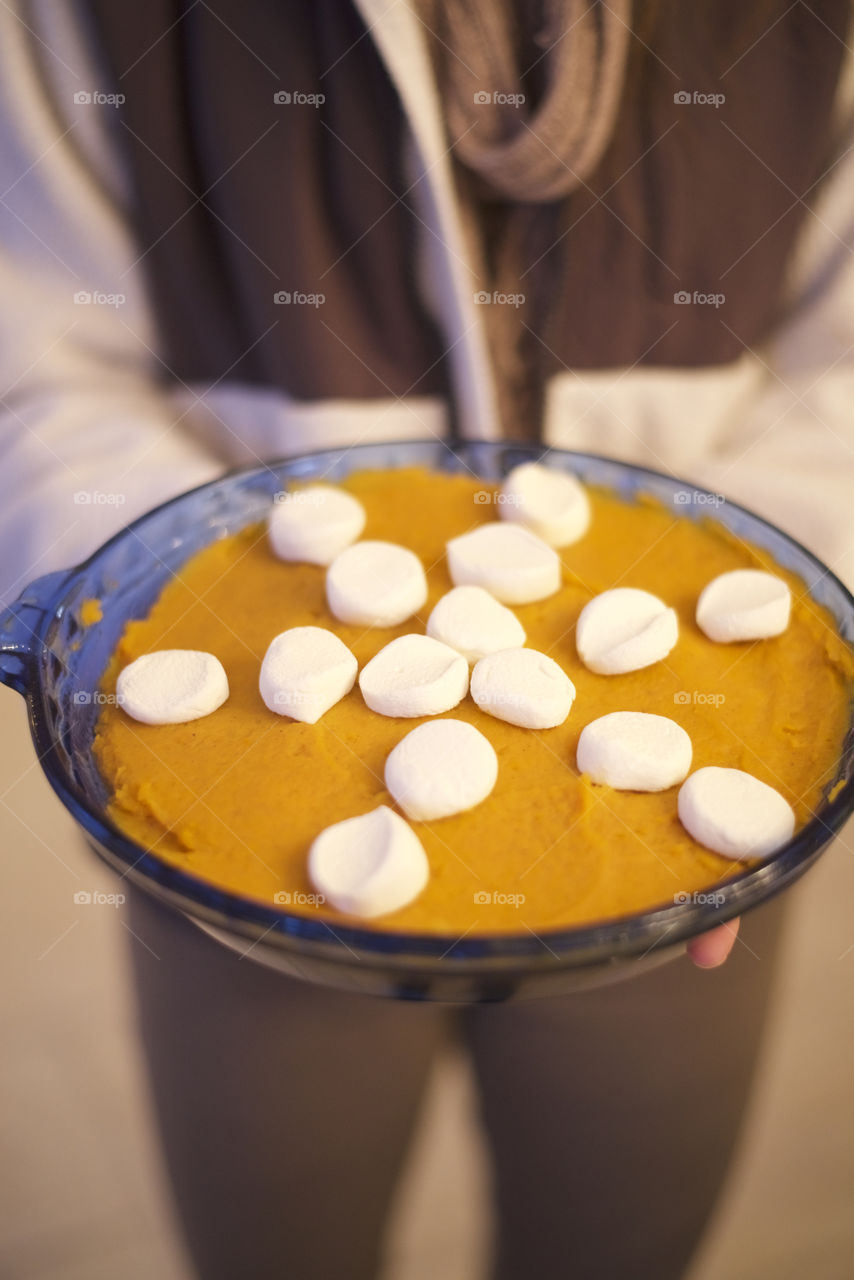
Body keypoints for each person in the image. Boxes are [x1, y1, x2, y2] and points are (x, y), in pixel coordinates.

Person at [1, 2, 852, 1276]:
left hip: (677, 881)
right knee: (275, 1240)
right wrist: (125, 598)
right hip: (237, 872)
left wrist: (763, 618)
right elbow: (36, 359)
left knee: (620, 1234)